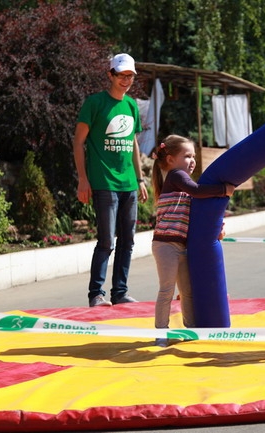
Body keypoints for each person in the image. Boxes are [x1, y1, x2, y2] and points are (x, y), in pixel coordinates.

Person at [73, 53, 149, 307]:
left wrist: (140, 178)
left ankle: (120, 293)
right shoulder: (94, 103)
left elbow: (134, 143)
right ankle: (96, 294)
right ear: (110, 75)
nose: (126, 80)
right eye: (121, 75)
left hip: (129, 184)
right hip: (103, 182)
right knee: (107, 241)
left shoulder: (131, 106)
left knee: (128, 241)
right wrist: (83, 179)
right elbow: (78, 142)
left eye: (130, 76)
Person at [151, 134, 235, 346]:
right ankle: (161, 331)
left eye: (194, 156)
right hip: (165, 244)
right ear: (171, 159)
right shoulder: (176, 176)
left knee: (187, 291)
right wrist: (223, 190)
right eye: (187, 156)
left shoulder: (182, 183)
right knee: (167, 289)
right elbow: (197, 191)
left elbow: (196, 212)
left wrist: (216, 228)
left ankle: (191, 327)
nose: (192, 161)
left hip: (180, 244)